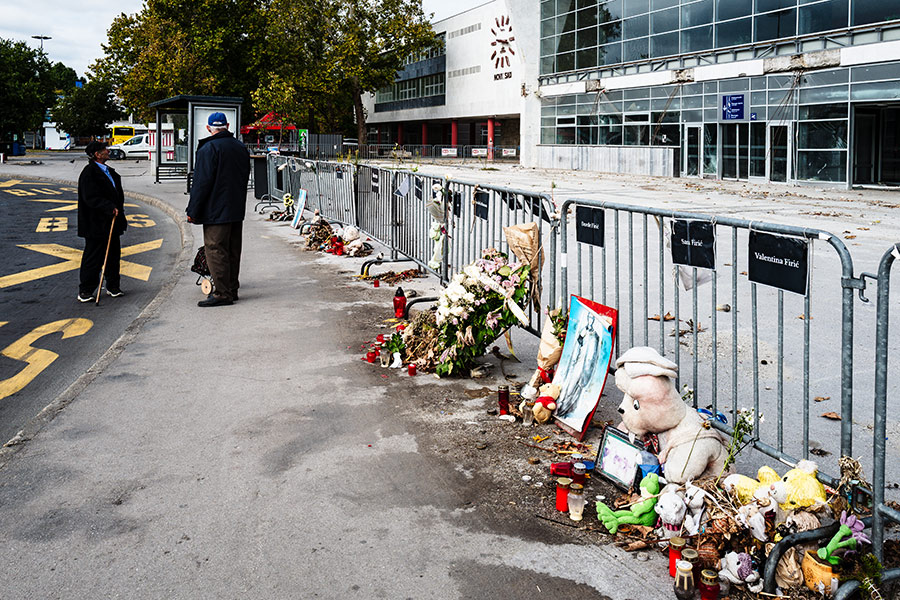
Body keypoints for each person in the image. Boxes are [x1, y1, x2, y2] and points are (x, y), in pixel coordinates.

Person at [186, 112, 250, 307]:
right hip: (236, 208)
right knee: (232, 250)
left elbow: (201, 183)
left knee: (215, 249)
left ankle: (222, 294)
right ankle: (232, 289)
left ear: (208, 128)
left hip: (215, 210)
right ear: (227, 125)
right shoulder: (240, 147)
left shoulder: (209, 148)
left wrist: (193, 210)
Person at [77, 140, 127, 302]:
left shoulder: (109, 171)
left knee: (113, 255)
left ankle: (113, 286)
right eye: (104, 149)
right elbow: (90, 197)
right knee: (94, 257)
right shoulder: (89, 173)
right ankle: (86, 290)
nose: (108, 151)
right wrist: (108, 206)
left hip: (112, 222)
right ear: (97, 155)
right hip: (96, 224)